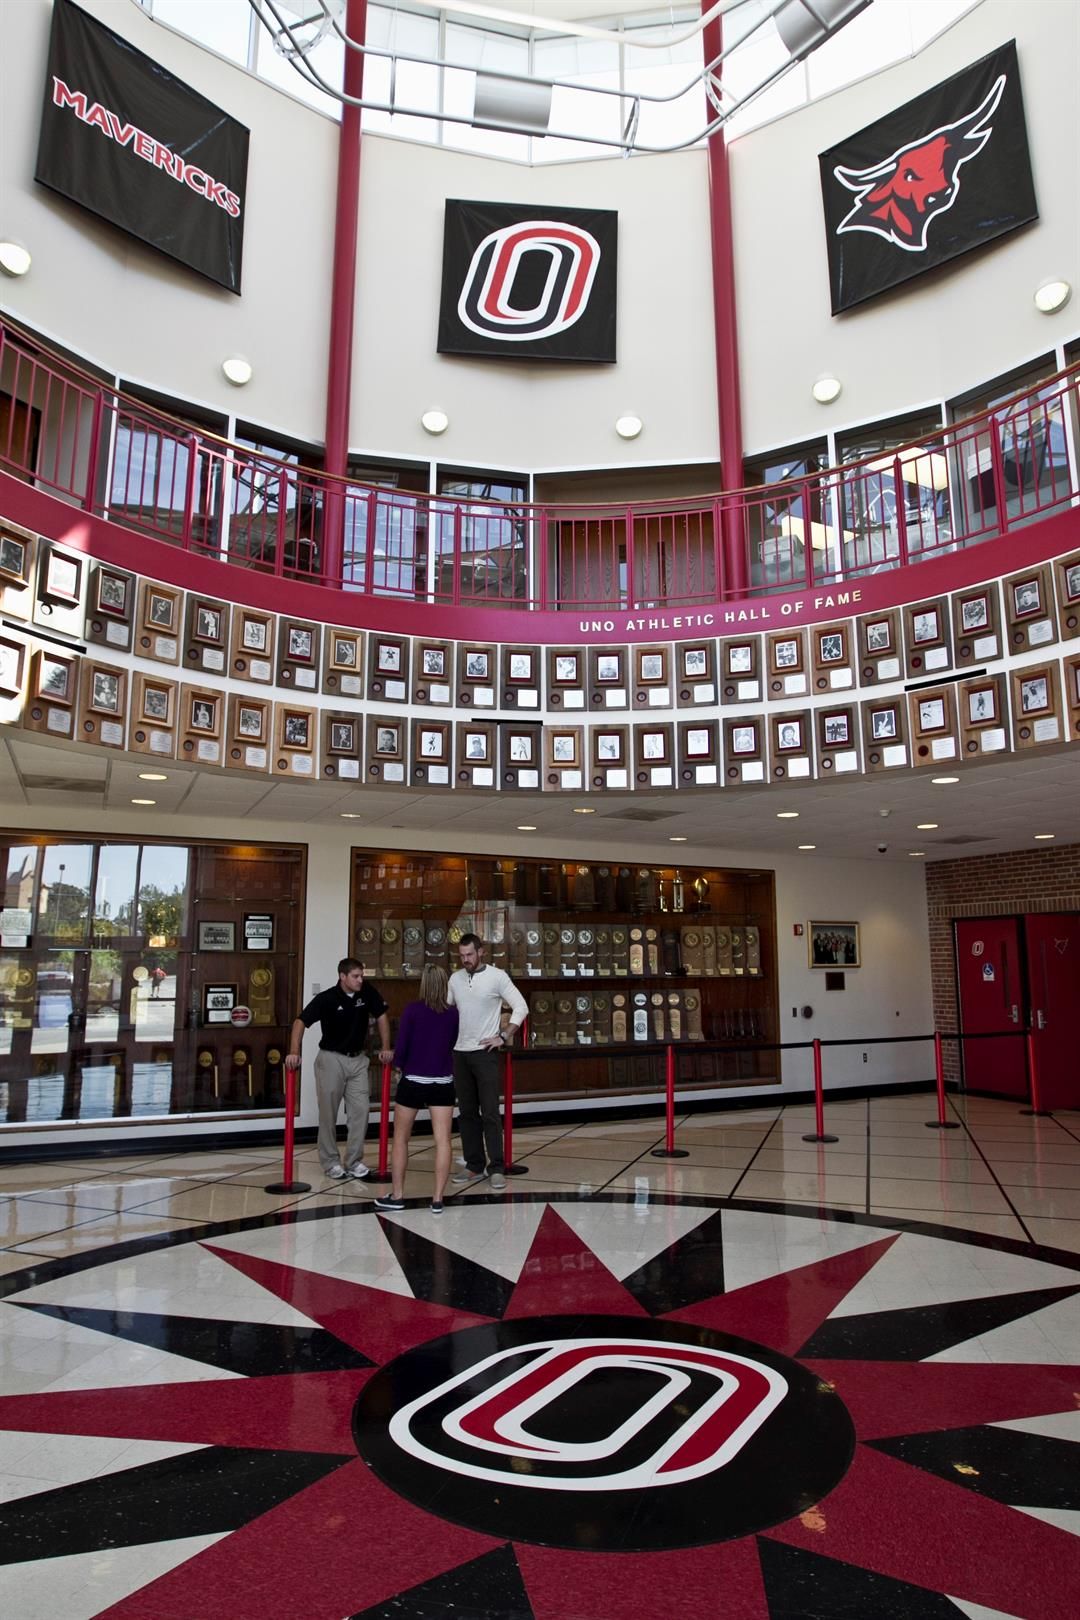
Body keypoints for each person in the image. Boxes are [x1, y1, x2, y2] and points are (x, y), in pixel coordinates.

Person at [286, 957, 393, 1181]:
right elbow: (300, 1021)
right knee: (328, 1114)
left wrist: (385, 1047)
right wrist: (295, 1051)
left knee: (361, 1111)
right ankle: (331, 1162)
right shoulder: (327, 998)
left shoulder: (367, 992)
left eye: (362, 975)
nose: (360, 980)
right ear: (342, 977)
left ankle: (354, 1161)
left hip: (358, 1060)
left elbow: (382, 1015)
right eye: (355, 976)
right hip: (331, 1060)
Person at [373, 965, 459, 1216]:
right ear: (445, 985)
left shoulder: (412, 1010)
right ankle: (437, 1199)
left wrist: (399, 1064)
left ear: (423, 984)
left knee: (401, 1138)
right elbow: (452, 1042)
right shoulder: (453, 1014)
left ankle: (398, 1195)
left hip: (413, 1080)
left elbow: (402, 1047)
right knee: (443, 1140)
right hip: (442, 1081)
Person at [449, 932, 528, 1191]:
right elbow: (447, 1012)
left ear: (481, 952)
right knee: (467, 1113)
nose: (466, 960)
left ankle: (496, 1167)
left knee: (491, 1113)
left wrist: (504, 1036)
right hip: (460, 1053)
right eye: (461, 956)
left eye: (470, 954)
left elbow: (521, 1007)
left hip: (485, 1054)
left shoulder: (497, 976)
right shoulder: (455, 979)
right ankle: (473, 1164)